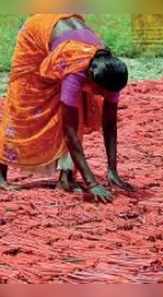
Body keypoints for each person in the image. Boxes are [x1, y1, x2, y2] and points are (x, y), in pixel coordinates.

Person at [0, 14, 135, 203]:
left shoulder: (110, 72)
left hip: (66, 42)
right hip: (35, 36)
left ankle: (66, 176)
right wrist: (92, 183)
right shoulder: (76, 71)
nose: (101, 97)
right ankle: (0, 174)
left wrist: (112, 170)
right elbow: (69, 131)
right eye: (99, 93)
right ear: (90, 79)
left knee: (78, 107)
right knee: (24, 104)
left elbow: (110, 123)